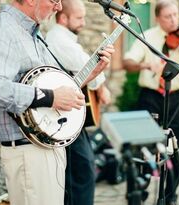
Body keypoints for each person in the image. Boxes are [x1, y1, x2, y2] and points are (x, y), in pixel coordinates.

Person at [0, 0, 114, 205]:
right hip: (28, 152)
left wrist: (91, 74)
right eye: (54, 0)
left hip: (46, 147)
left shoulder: (34, 35)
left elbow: (57, 85)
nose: (58, 7)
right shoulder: (3, 29)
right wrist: (50, 97)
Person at [123, 0, 179, 204]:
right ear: (158, 18)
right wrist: (148, 64)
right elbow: (127, 62)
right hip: (151, 98)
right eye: (168, 16)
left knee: (177, 148)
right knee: (145, 148)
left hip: (178, 99)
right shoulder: (147, 36)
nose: (174, 20)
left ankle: (170, 195)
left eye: (175, 15)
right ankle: (139, 190)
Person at [45, 0, 112, 205]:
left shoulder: (66, 38)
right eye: (79, 17)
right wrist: (100, 86)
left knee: (81, 171)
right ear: (63, 17)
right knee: (82, 172)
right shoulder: (58, 37)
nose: (83, 22)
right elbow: (84, 63)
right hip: (64, 116)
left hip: (71, 114)